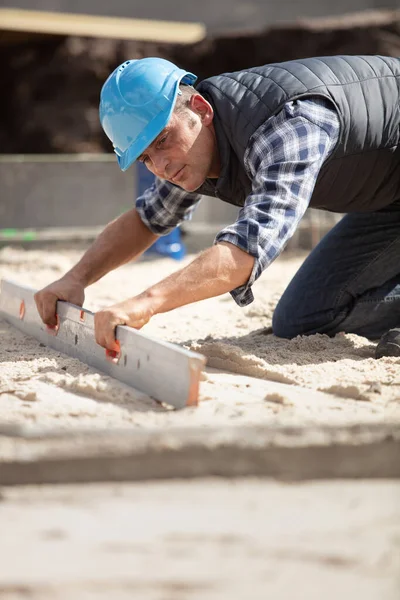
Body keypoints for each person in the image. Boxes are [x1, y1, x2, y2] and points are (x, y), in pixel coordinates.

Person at [35, 56, 400, 358]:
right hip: (389, 201)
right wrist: (75, 279)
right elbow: (149, 219)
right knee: (303, 318)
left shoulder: (289, 124)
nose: (160, 166)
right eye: (145, 158)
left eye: (162, 141)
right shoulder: (194, 149)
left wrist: (145, 303)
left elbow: (248, 250)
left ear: (200, 109)